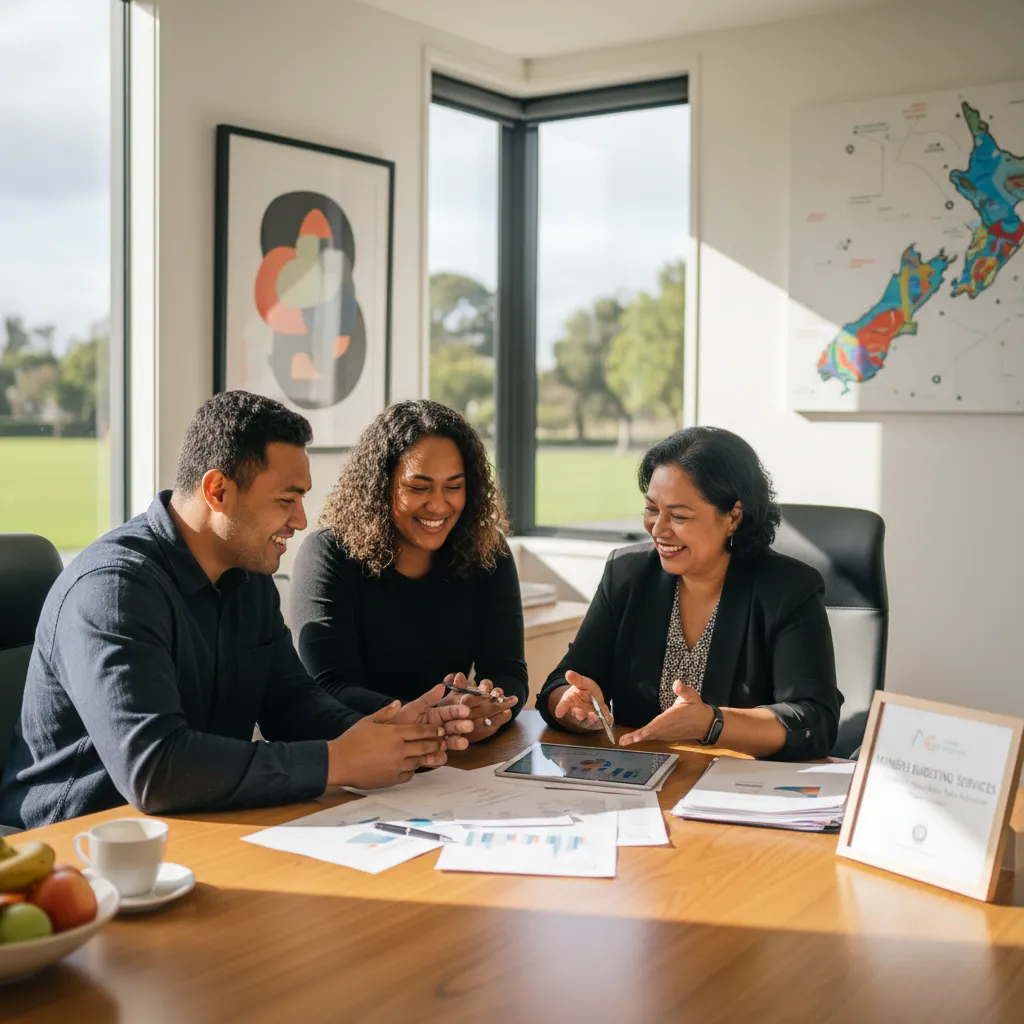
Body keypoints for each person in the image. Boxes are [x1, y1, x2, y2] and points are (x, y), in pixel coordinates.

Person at [0, 392, 473, 830]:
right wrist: (339, 761)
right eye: (286, 500)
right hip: (78, 847)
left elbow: (290, 702)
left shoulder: (249, 578)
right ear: (218, 491)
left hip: (194, 827)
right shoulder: (113, 590)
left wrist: (387, 738)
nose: (300, 521)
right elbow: (154, 768)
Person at [537, 426, 841, 760]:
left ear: (733, 517)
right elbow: (561, 683)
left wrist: (713, 723)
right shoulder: (627, 574)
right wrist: (572, 704)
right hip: (641, 780)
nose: (658, 528)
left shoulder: (788, 588)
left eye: (679, 516)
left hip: (737, 787)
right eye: (652, 509)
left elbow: (815, 720)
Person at [291, 399, 528, 743]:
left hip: (452, 756)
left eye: (454, 486)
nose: (437, 504)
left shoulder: (487, 553)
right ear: (380, 486)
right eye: (418, 487)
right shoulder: (328, 554)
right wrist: (429, 716)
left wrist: (486, 707)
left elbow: (509, 671)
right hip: (356, 750)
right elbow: (329, 685)